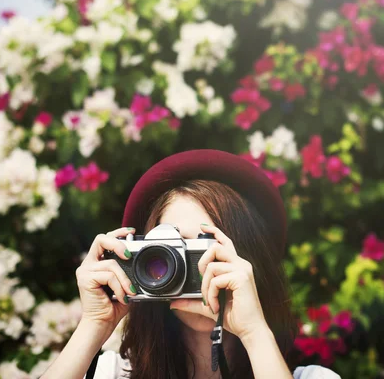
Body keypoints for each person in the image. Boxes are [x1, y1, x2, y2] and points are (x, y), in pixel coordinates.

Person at [42, 149, 340, 379]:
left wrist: (254, 332)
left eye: (206, 247)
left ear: (250, 263)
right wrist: (94, 324)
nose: (195, 267)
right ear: (143, 260)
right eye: (171, 248)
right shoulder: (111, 373)